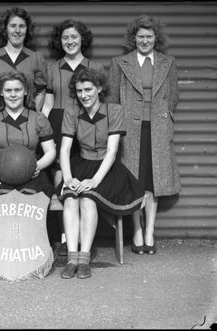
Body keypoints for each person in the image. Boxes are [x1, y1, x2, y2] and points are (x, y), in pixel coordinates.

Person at [58, 67, 144, 279]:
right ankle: (71, 258)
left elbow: (113, 151)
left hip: (107, 168)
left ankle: (84, 258)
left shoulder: (114, 111)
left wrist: (95, 181)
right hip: (81, 163)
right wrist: (68, 178)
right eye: (79, 91)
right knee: (70, 200)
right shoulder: (72, 112)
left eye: (88, 89)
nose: (84, 95)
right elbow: (65, 149)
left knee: (88, 199)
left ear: (99, 88)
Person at [108, 15, 180, 255]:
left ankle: (149, 231)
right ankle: (137, 231)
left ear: (155, 38)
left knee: (152, 183)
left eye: (149, 36)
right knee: (134, 182)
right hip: (130, 131)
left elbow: (173, 97)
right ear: (134, 38)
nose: (145, 40)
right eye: (141, 36)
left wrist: (164, 117)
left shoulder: (167, 63)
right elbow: (112, 100)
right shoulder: (120, 62)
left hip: (157, 131)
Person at [42, 19, 105, 256]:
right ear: (60, 42)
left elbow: (102, 103)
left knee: (82, 167)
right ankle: (66, 237)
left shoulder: (94, 68)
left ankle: (81, 237)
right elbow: (47, 104)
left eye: (74, 37)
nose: (70, 42)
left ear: (82, 40)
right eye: (65, 38)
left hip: (86, 123)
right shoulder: (52, 68)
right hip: (59, 123)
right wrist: (43, 129)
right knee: (61, 170)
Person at [0, 71, 55, 198]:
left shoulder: (38, 118)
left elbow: (50, 151)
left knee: (29, 202)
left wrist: (37, 166)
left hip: (31, 175)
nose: (13, 95)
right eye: (8, 90)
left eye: (18, 90)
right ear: (1, 93)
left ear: (25, 91)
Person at [0, 7, 47, 113]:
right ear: (5, 29)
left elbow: (41, 91)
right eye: (13, 26)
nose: (17, 31)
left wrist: (34, 115)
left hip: (27, 122)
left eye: (21, 26)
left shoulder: (36, 58)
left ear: (27, 29)